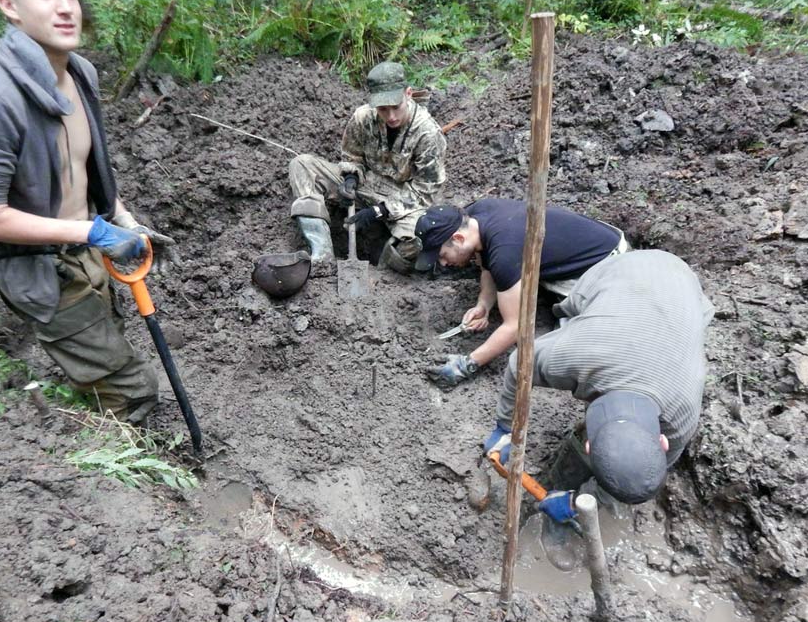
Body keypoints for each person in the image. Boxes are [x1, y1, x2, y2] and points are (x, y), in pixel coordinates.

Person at [0, 0, 176, 423]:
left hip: (89, 245)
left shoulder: (81, 76)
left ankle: (94, 378)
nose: (64, 7)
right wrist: (89, 234)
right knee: (134, 389)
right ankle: (113, 458)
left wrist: (124, 220)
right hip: (40, 267)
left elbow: (88, 169)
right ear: (8, 5)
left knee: (107, 335)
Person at [483, 249, 714, 568]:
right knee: (570, 312)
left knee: (623, 463)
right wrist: (504, 427)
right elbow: (517, 364)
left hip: (682, 282)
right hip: (619, 271)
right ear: (587, 445)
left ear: (663, 442)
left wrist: (578, 502)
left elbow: (648, 472)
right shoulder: (571, 355)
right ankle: (560, 484)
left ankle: (563, 500)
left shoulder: (682, 416)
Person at [417, 199, 629, 388]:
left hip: (607, 264)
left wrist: (466, 365)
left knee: (565, 352)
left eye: (442, 255)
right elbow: (486, 261)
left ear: (459, 238)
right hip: (599, 236)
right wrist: (484, 304)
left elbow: (515, 326)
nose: (443, 263)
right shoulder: (474, 215)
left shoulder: (505, 253)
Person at [288, 61, 447, 276]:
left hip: (404, 198)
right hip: (368, 183)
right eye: (383, 109)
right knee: (302, 165)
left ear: (408, 94)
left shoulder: (427, 133)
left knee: (415, 242)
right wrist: (350, 178)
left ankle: (381, 272)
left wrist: (381, 210)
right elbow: (352, 156)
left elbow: (427, 190)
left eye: (396, 107)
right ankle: (323, 255)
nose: (390, 116)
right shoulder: (363, 117)